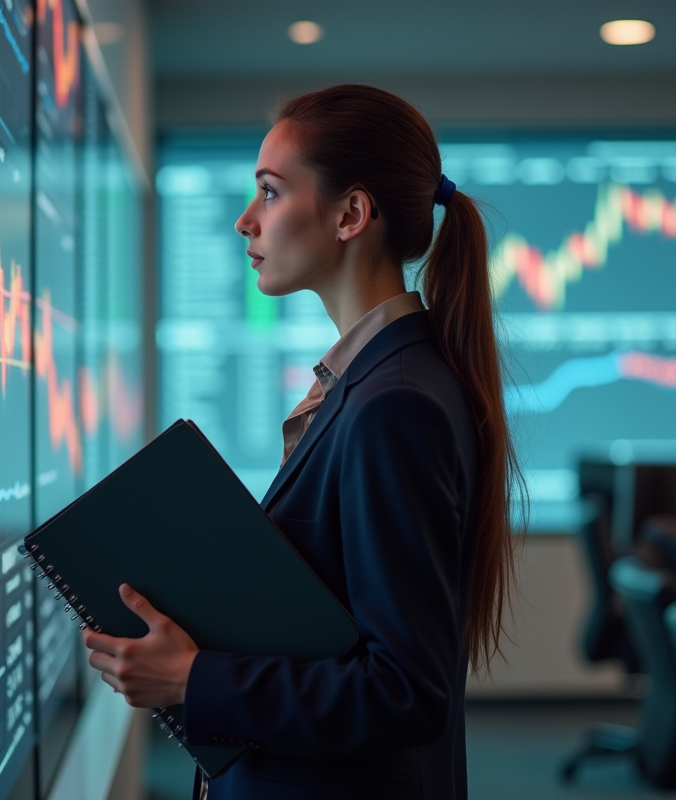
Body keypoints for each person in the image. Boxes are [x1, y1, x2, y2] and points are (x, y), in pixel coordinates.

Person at [81, 84, 524, 800]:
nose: (244, 221)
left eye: (270, 193)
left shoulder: (396, 404)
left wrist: (194, 679)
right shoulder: (377, 382)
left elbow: (407, 691)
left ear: (351, 214)